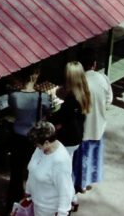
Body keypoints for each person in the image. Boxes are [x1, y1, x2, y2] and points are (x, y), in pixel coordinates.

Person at [6, 68, 52, 208]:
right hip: (34, 138)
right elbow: (48, 110)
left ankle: (13, 203)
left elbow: (13, 110)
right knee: (34, 172)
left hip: (17, 136)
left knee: (16, 172)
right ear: (36, 76)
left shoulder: (14, 96)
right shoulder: (42, 97)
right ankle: (34, 202)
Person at [50, 61, 90, 211]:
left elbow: (63, 117)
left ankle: (67, 202)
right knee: (67, 169)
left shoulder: (71, 99)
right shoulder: (83, 92)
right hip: (77, 137)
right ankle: (72, 197)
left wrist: (50, 119)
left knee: (63, 173)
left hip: (68, 139)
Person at [77, 49, 112, 193]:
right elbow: (109, 99)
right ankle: (90, 179)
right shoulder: (103, 78)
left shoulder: (79, 82)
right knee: (94, 152)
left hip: (84, 125)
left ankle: (81, 183)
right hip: (99, 123)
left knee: (83, 155)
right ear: (94, 64)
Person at [24, 121, 74, 216]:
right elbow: (32, 169)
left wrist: (62, 213)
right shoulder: (41, 149)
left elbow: (65, 191)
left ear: (46, 142)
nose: (36, 147)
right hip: (37, 204)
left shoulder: (60, 162)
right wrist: (28, 191)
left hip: (49, 210)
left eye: (37, 144)